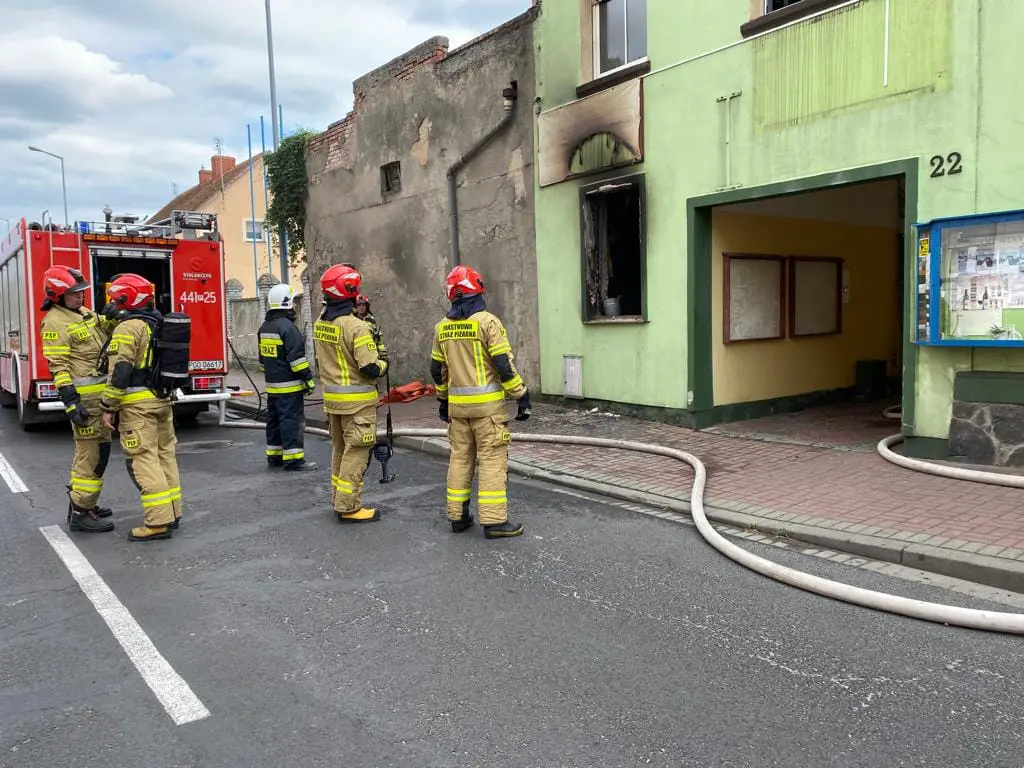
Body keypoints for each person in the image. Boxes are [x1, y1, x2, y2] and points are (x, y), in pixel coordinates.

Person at [430, 265, 531, 539]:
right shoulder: (488, 323)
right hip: (488, 413)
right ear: (478, 290)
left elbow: (437, 369)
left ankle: (458, 516)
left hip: (457, 411)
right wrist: (521, 395)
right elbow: (503, 365)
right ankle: (494, 521)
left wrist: (443, 400)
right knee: (491, 461)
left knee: (460, 459)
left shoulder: (441, 328)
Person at [98, 273, 182, 542]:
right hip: (162, 400)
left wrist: (108, 406)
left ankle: (157, 522)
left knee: (144, 459)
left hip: (137, 406)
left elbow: (120, 371)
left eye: (116, 299)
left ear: (126, 299)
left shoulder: (127, 328)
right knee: (165, 456)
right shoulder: (157, 322)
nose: (113, 304)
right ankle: (172, 513)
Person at [39, 266, 115, 534]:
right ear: (57, 295)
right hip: (85, 402)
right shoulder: (54, 322)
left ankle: (85, 504)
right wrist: (71, 402)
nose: (80, 296)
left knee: (99, 452)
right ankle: (81, 512)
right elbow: (58, 366)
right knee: (90, 455)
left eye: (81, 292)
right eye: (73, 293)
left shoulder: (83, 313)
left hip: (99, 400)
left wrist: (114, 315)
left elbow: (105, 328)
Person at [313, 265, 389, 523]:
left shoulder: (321, 324)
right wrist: (384, 365)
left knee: (340, 450)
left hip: (332, 401)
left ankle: (338, 498)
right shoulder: (356, 327)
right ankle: (349, 507)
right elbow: (369, 367)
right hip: (357, 404)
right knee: (356, 453)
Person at [258, 283, 317, 471]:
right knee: (291, 422)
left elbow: (262, 360)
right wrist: (308, 379)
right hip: (290, 387)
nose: (294, 306)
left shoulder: (264, 327)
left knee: (274, 421)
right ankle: (294, 460)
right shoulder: (289, 328)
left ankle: (274, 457)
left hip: (272, 386)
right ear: (287, 303)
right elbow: (297, 360)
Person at [354, 294, 388, 364]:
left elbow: (379, 339)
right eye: (359, 305)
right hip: (356, 355)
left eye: (363, 305)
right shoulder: (351, 320)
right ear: (356, 306)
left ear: (367, 306)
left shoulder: (371, 321)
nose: (361, 307)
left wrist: (383, 355)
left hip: (370, 354)